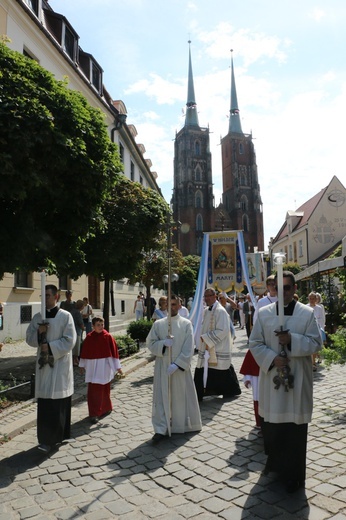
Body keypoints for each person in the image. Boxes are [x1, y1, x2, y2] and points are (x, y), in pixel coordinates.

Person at [250, 271, 323, 493]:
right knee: (272, 428)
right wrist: (273, 358)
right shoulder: (263, 314)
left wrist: (292, 340)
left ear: (294, 290)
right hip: (273, 380)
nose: (283, 292)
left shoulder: (306, 314)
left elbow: (315, 344)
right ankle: (274, 465)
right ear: (273, 290)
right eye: (279, 288)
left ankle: (293, 475)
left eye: (288, 288)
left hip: (297, 382)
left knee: (295, 431)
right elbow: (255, 343)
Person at [26, 284, 76, 454]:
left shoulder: (65, 316)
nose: (44, 298)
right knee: (46, 403)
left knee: (59, 401)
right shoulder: (38, 317)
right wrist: (40, 333)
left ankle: (60, 436)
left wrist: (51, 347)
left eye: (47, 295)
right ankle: (46, 440)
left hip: (60, 364)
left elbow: (70, 340)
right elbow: (29, 339)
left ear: (56, 297)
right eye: (43, 295)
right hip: (44, 367)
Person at [146, 294, 202, 444]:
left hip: (179, 367)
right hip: (163, 366)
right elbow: (150, 343)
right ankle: (160, 428)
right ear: (165, 306)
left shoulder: (186, 324)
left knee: (180, 395)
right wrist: (163, 344)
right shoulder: (158, 324)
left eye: (174, 304)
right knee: (162, 396)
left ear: (179, 305)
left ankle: (180, 424)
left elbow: (189, 346)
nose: (172, 307)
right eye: (169, 304)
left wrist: (178, 364)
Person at [240, 275, 278, 429]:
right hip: (266, 343)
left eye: (275, 284)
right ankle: (263, 421)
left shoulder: (285, 300)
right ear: (267, 286)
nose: (273, 286)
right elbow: (256, 324)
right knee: (262, 387)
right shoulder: (262, 302)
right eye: (270, 284)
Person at [194, 288, 241, 402]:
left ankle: (230, 390)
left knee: (221, 367)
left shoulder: (220, 311)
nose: (206, 298)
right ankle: (204, 391)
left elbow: (223, 330)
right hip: (207, 345)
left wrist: (206, 338)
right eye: (205, 296)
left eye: (209, 296)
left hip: (218, 345)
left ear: (215, 296)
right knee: (205, 367)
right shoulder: (206, 310)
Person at [79, 317, 123, 424]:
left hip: (105, 367)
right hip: (92, 368)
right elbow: (84, 352)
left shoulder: (108, 337)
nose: (100, 327)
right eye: (98, 325)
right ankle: (94, 413)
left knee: (105, 388)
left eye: (102, 324)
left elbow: (114, 353)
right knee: (94, 391)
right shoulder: (89, 338)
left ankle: (106, 408)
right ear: (93, 326)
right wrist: (82, 365)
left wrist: (118, 368)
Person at [307, 291, 325, 369]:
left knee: (315, 346)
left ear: (316, 299)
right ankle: (311, 362)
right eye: (310, 298)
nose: (311, 300)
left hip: (317, 329)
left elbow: (322, 319)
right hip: (308, 329)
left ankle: (313, 362)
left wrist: (321, 329)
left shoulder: (319, 308)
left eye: (313, 298)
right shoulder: (306, 307)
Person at [70, 299, 85, 366]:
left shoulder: (72, 311)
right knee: (77, 347)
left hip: (71, 331)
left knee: (74, 346)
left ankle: (75, 360)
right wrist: (83, 328)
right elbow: (80, 323)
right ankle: (75, 361)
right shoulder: (77, 313)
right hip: (77, 331)